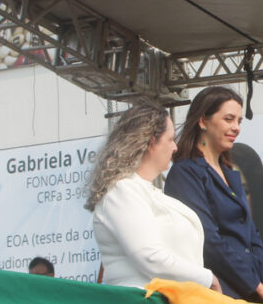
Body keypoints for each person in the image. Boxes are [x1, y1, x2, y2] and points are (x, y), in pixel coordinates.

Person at [163, 86, 263, 304]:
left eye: (239, 121)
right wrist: (257, 287)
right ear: (202, 121)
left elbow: (253, 237)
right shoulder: (186, 173)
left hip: (253, 295)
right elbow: (208, 240)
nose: (236, 128)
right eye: (228, 119)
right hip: (220, 294)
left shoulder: (231, 175)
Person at [84, 103, 220, 291]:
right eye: (170, 139)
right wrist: (207, 278)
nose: (175, 147)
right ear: (150, 143)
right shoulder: (122, 190)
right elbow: (149, 256)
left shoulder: (146, 192)